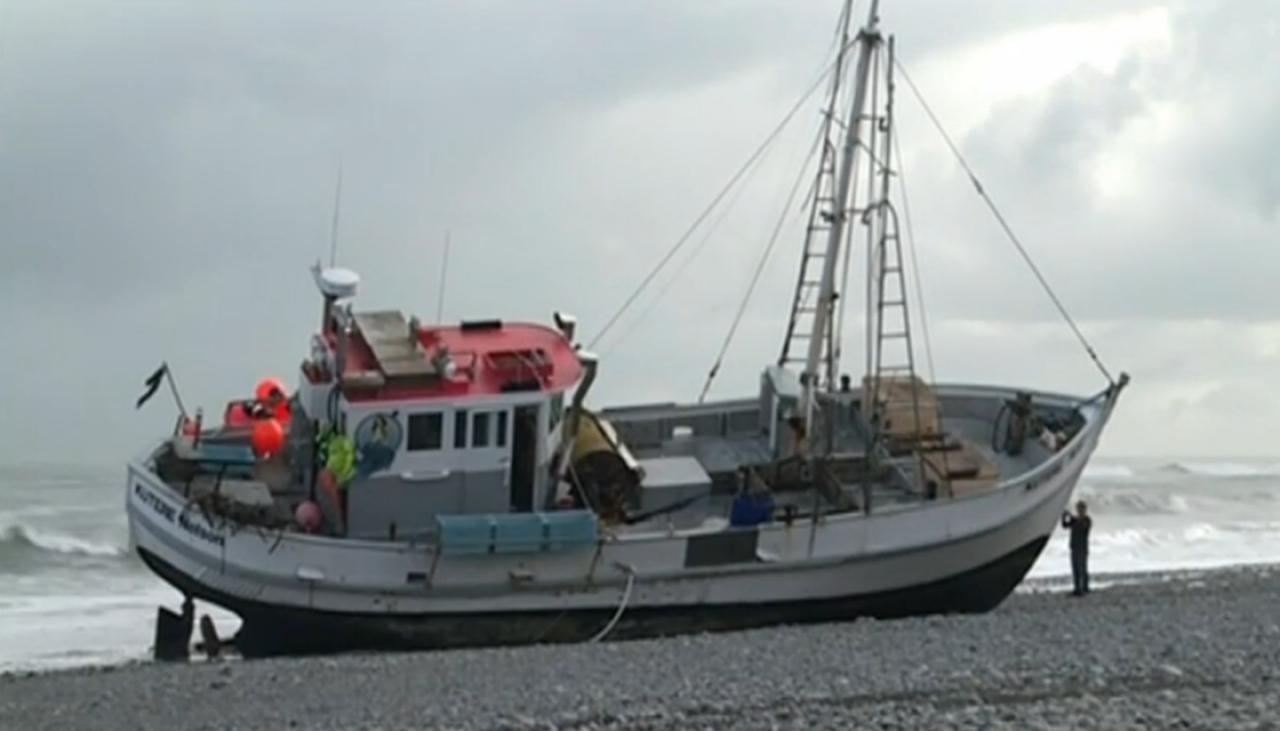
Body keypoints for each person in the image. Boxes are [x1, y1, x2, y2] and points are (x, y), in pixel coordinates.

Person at [1062, 500, 1092, 596]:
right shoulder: (1074, 520)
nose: (1079, 510)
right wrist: (1064, 516)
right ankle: (1077, 588)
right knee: (1075, 568)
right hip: (1074, 546)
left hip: (1082, 547)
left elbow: (1083, 526)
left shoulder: (1087, 520)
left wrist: (1071, 517)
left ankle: (1084, 587)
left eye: (1081, 509)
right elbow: (1065, 525)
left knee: (1082, 568)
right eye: (1078, 508)